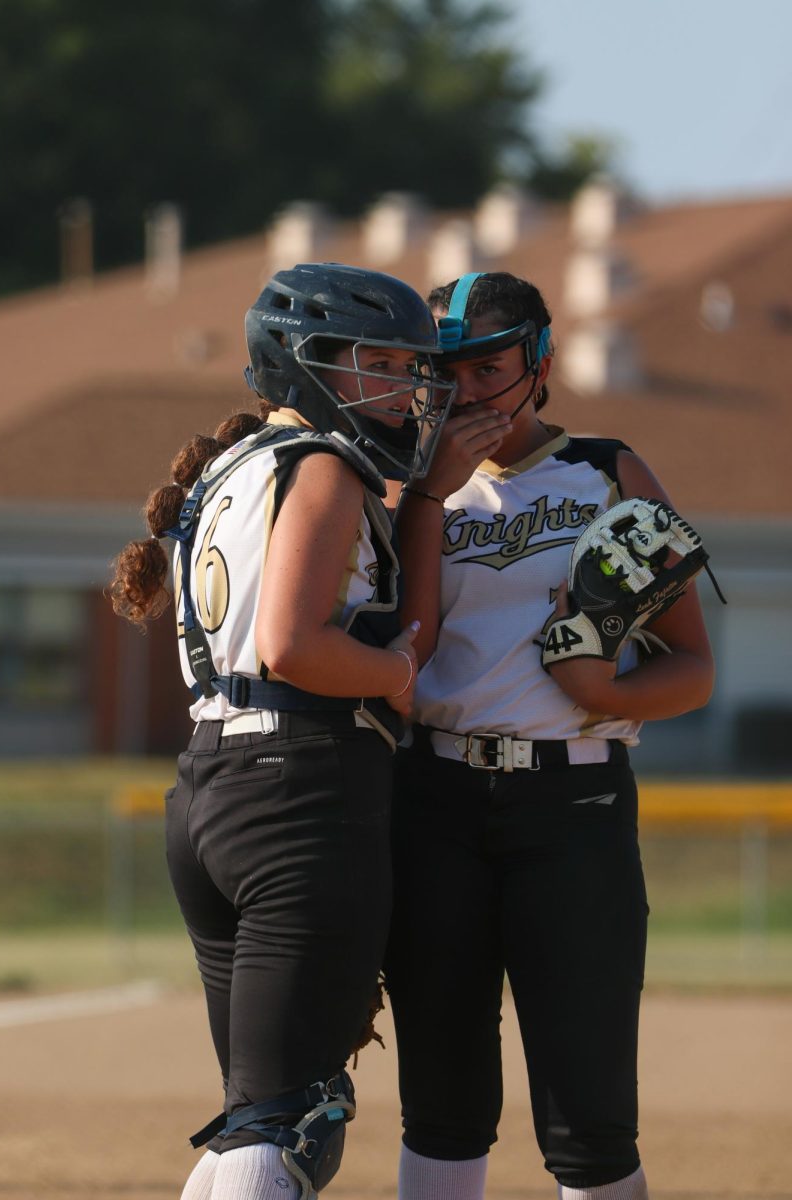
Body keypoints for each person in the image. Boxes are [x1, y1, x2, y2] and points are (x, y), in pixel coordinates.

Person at [109, 262, 454, 1200]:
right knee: (292, 1119)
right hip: (298, 792)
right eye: (378, 361)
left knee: (254, 1115)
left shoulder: (228, 466)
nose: (402, 385)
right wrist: (395, 673)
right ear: (307, 365)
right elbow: (294, 645)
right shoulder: (324, 468)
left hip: (213, 785)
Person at [384, 271, 715, 1200]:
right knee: (442, 1102)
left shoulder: (609, 472)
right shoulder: (412, 489)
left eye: (487, 366)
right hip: (439, 798)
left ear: (541, 363)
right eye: (441, 371)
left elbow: (693, 667)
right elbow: (408, 657)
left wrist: (601, 686)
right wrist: (424, 499)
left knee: (588, 1112)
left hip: (575, 804)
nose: (463, 391)